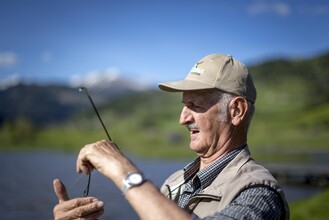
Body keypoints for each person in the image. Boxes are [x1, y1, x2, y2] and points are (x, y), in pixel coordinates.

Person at [53, 54, 290, 220]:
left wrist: (124, 171)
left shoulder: (259, 194)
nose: (182, 118)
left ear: (236, 111)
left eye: (194, 105)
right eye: (183, 105)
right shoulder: (174, 181)